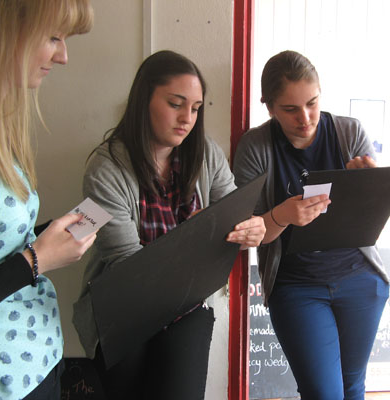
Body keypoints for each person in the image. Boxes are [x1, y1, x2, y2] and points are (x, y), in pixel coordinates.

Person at [72, 50, 266, 400]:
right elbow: (126, 265)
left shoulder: (205, 153)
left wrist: (252, 229)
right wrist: (191, 240)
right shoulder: (105, 168)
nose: (187, 118)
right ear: (144, 98)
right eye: (176, 104)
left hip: (186, 303)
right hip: (123, 307)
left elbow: (233, 210)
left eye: (195, 108)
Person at [233, 50, 389, 400]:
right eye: (290, 109)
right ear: (270, 107)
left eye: (312, 103)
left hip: (359, 278)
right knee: (323, 392)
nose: (305, 118)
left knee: (353, 388)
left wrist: (367, 188)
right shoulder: (256, 147)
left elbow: (372, 219)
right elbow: (247, 234)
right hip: (297, 285)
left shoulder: (349, 131)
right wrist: (283, 216)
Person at [0, 1, 96, 399]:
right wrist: (37, 260)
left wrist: (48, 234)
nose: (64, 56)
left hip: (37, 361)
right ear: (5, 29)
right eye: (53, 37)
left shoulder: (2, 132)